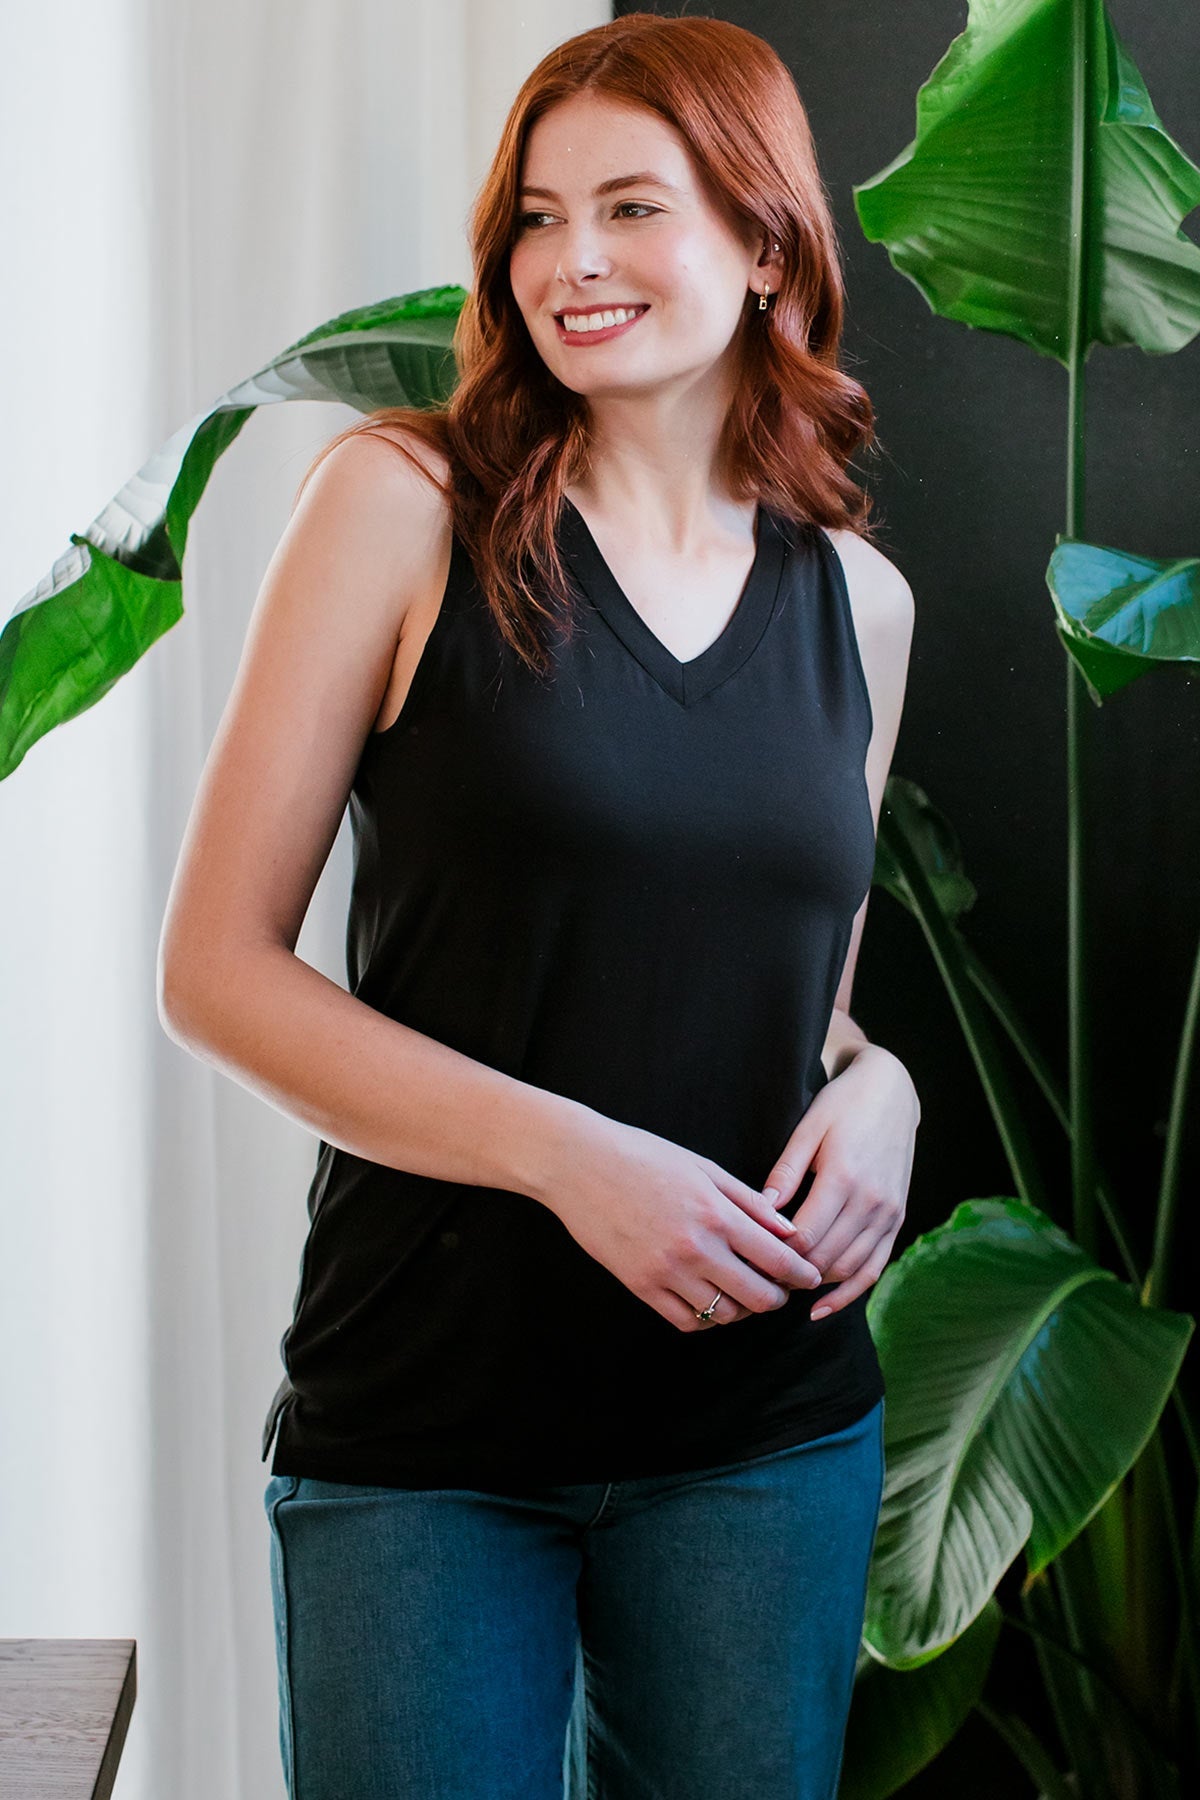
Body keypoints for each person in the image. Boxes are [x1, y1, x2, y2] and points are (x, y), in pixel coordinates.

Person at [158, 12, 919, 1799]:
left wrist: (878, 1086)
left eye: (632, 208)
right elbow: (218, 971)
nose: (569, 260)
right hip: (433, 1438)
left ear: (762, 244)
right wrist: (575, 1156)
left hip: (764, 1437)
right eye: (535, 214)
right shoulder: (400, 504)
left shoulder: (862, 609)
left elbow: (805, 999)